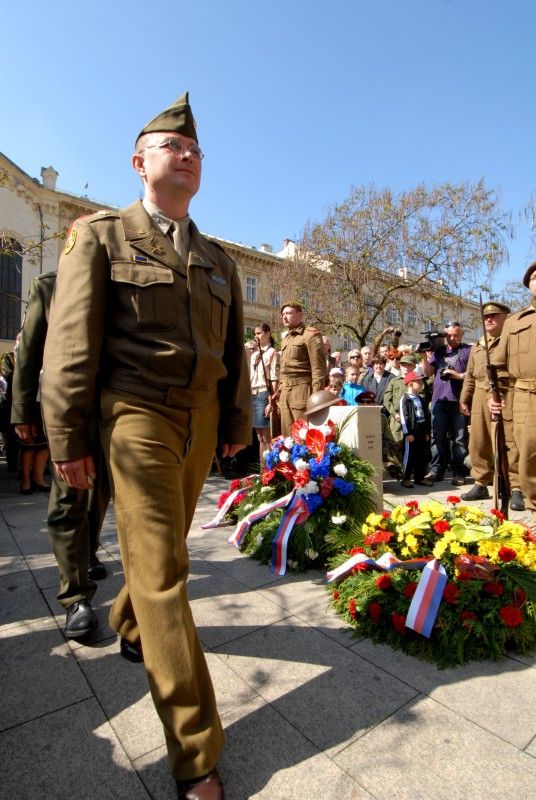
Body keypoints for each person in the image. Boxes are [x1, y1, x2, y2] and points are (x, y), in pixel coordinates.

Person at [42, 92, 250, 799]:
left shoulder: (219, 260)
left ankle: (130, 622)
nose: (186, 155)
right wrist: (68, 435)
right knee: (164, 572)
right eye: (171, 146)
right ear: (139, 163)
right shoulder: (101, 236)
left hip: (199, 420)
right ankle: (196, 752)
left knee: (164, 551)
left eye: (194, 150)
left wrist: (236, 424)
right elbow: (71, 344)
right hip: (135, 415)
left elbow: (233, 353)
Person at [11, 272, 110, 638]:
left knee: (100, 494)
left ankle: (88, 552)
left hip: (114, 409)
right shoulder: (51, 285)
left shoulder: (118, 282)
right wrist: (22, 407)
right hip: (67, 408)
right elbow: (29, 350)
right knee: (69, 497)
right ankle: (76, 597)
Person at [459, 301, 524, 510]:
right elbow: (470, 375)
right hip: (480, 395)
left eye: (494, 315)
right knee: (479, 440)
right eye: (486, 317)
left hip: (506, 392)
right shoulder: (478, 345)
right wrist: (464, 398)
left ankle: (516, 487)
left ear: (505, 317)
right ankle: (481, 482)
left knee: (510, 440)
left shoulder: (512, 340)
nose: (489, 319)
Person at [489, 261, 536, 528]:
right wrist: (493, 397)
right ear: (528, 284)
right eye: (534, 277)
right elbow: (497, 366)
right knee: (528, 455)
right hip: (525, 396)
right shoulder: (514, 322)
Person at [422, 321, 472, 486]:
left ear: (461, 334)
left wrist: (457, 375)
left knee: (459, 439)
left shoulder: (468, 350)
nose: (452, 338)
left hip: (459, 401)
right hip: (439, 400)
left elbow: (474, 373)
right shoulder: (439, 351)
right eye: (449, 335)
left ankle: (459, 473)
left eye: (455, 335)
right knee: (437, 437)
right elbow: (428, 373)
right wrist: (423, 356)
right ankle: (436, 471)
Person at [276, 302, 326, 436]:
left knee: (303, 434)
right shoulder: (286, 338)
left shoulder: (310, 335)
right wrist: (279, 391)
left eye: (288, 313)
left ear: (300, 315)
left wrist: (316, 397)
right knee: (287, 437)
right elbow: (283, 369)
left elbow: (318, 369)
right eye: (283, 314)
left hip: (302, 390)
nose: (284, 317)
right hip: (285, 392)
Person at [247, 322, 279, 464]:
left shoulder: (272, 353)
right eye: (255, 334)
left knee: (267, 436)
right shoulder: (254, 355)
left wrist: (272, 400)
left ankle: (270, 468)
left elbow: (274, 378)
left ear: (267, 334)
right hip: (253, 394)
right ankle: (263, 469)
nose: (256, 336)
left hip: (264, 393)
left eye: (259, 333)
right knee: (259, 437)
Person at [399, 371, 432, 488]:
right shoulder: (405, 399)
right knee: (409, 455)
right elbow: (404, 418)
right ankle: (406, 478)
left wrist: (427, 432)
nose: (422, 384)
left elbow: (426, 416)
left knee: (421, 455)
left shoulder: (420, 399)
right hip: (411, 432)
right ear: (410, 384)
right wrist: (407, 433)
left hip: (421, 430)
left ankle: (420, 477)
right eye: (419, 382)